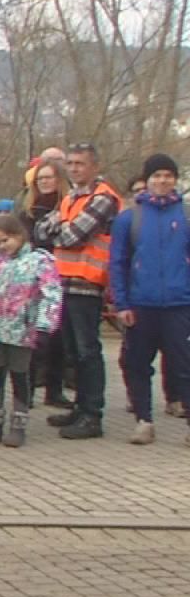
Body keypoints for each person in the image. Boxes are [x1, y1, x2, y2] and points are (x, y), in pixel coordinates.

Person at [34, 143, 124, 439]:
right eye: (70, 164)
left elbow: (72, 236)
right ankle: (80, 406)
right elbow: (39, 231)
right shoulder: (71, 197)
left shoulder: (103, 198)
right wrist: (60, 227)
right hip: (64, 282)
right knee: (73, 351)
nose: (74, 168)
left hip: (87, 283)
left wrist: (60, 227)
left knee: (87, 351)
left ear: (94, 166)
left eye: (80, 164)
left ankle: (92, 414)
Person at [109, 153, 190, 447]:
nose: (163, 180)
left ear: (175, 180)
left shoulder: (186, 215)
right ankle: (144, 421)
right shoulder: (129, 219)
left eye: (168, 175)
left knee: (184, 365)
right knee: (137, 363)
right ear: (147, 181)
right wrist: (122, 304)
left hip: (180, 304)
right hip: (141, 304)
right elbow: (118, 263)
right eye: (157, 175)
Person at [0, 213, 62, 448]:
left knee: (20, 375)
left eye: (6, 241)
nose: (2, 246)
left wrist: (44, 325)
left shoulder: (40, 261)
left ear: (20, 235)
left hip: (22, 330)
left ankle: (19, 424)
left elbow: (52, 293)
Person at [21, 158, 71, 406]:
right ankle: (26, 390)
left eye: (49, 177)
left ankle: (54, 389)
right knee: (32, 336)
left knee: (57, 338)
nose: (44, 182)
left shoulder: (68, 208)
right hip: (33, 279)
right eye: (40, 178)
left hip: (61, 276)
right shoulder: (28, 211)